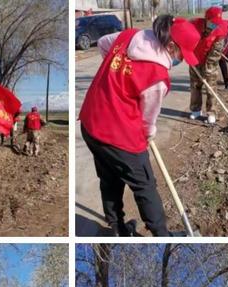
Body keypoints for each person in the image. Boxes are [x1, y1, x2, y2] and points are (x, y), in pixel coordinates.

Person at [79, 15, 201, 237]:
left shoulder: (128, 35)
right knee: (145, 184)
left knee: (109, 175)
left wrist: (113, 76)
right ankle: (161, 236)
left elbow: (105, 43)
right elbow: (148, 120)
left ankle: (117, 228)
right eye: (182, 55)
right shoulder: (157, 76)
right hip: (118, 135)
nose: (181, 60)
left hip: (90, 123)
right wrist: (148, 134)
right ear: (171, 46)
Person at [189, 7, 228, 124]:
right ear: (206, 19)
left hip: (210, 61)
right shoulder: (194, 24)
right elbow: (185, 40)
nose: (215, 26)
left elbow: (216, 51)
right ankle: (196, 110)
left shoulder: (221, 29)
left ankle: (212, 112)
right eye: (212, 22)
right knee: (195, 86)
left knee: (211, 87)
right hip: (194, 59)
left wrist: (208, 67)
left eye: (217, 23)